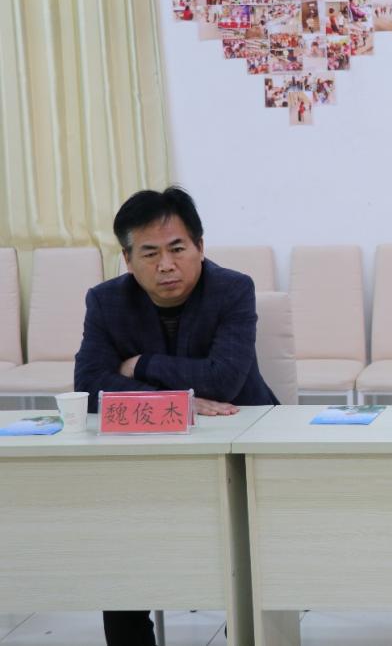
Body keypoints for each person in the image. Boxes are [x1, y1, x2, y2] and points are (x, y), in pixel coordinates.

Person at [74, 186, 278, 646]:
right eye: (150, 253)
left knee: (248, 554)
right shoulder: (106, 301)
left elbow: (223, 380)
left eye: (177, 248)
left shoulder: (232, 289)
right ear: (128, 259)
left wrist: (140, 365)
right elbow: (89, 386)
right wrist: (178, 402)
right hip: (147, 457)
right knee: (120, 542)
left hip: (241, 447)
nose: (166, 265)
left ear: (200, 247)